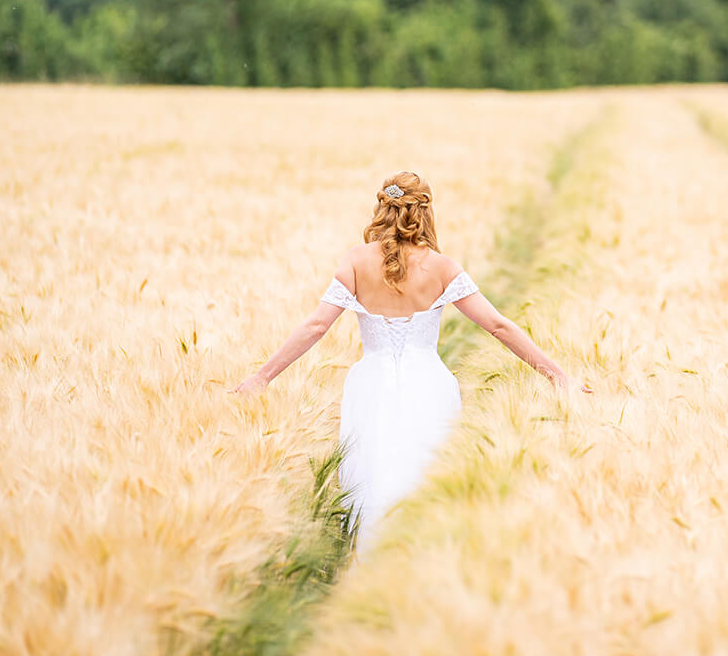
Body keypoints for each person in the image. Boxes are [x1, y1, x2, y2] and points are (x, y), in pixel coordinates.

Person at [234, 171, 585, 545]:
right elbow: (499, 326)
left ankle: (369, 566)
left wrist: (261, 378)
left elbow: (316, 326)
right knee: (425, 475)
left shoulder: (355, 261)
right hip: (429, 386)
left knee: (372, 478)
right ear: (425, 211)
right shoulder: (443, 267)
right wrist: (558, 375)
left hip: (370, 386)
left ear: (381, 207)